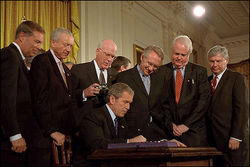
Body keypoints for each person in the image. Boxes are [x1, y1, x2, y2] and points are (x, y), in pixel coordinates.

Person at [29, 27, 78, 166]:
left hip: (63, 136)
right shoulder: (41, 61)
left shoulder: (63, 66)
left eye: (70, 46)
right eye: (65, 44)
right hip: (45, 137)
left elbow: (68, 97)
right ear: (53, 42)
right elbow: (39, 99)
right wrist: (52, 131)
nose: (69, 49)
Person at [0, 21, 45, 167]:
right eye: (36, 42)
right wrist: (15, 135)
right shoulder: (10, 56)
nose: (39, 47)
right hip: (9, 142)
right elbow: (6, 99)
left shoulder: (18, 59)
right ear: (22, 37)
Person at [159, 35, 210, 146]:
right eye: (176, 54)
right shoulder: (161, 72)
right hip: (169, 132)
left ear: (189, 54)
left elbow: (203, 102)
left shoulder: (199, 72)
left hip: (194, 133)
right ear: (171, 51)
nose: (179, 58)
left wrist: (186, 125)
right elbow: (159, 103)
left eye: (183, 55)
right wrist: (170, 125)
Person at [115, 45, 173, 141]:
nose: (151, 68)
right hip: (132, 134)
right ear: (142, 57)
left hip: (157, 134)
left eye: (155, 66)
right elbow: (118, 107)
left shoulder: (160, 79)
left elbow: (163, 105)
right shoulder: (124, 77)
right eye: (149, 64)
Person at [206, 45, 249, 166]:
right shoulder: (206, 81)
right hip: (212, 142)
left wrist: (236, 136)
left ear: (227, 60)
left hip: (232, 141)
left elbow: (242, 109)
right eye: (212, 61)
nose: (215, 65)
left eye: (218, 61)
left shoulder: (237, 79)